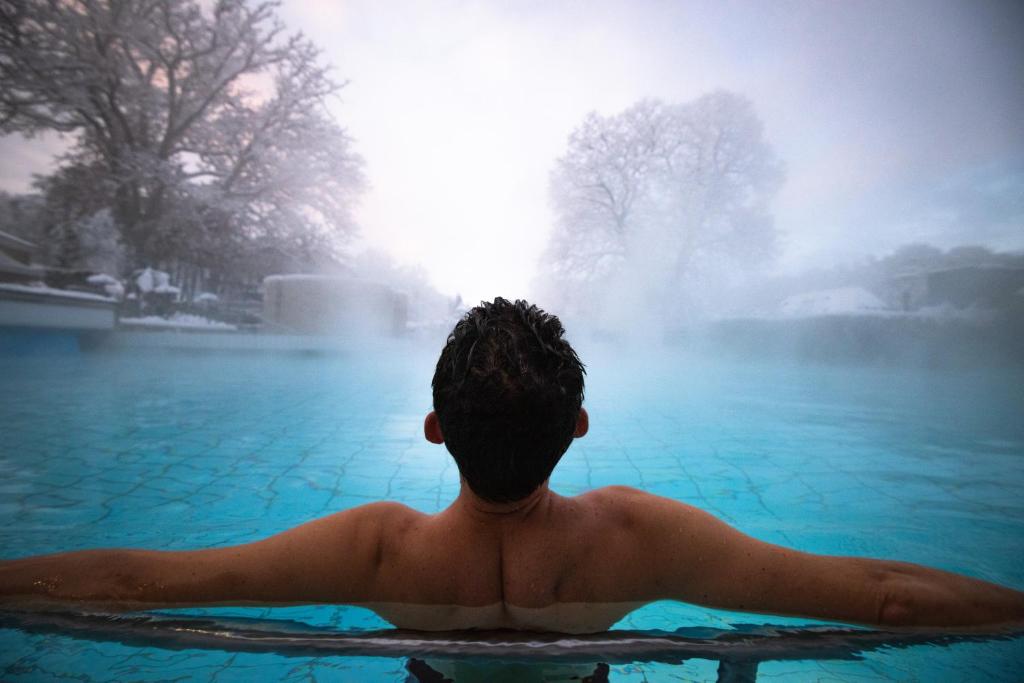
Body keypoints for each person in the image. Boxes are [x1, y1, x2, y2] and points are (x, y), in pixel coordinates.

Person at [1, 298, 1023, 634]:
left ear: (434, 429)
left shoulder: (377, 553)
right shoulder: (635, 539)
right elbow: (884, 594)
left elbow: (139, 582)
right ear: (580, 426)